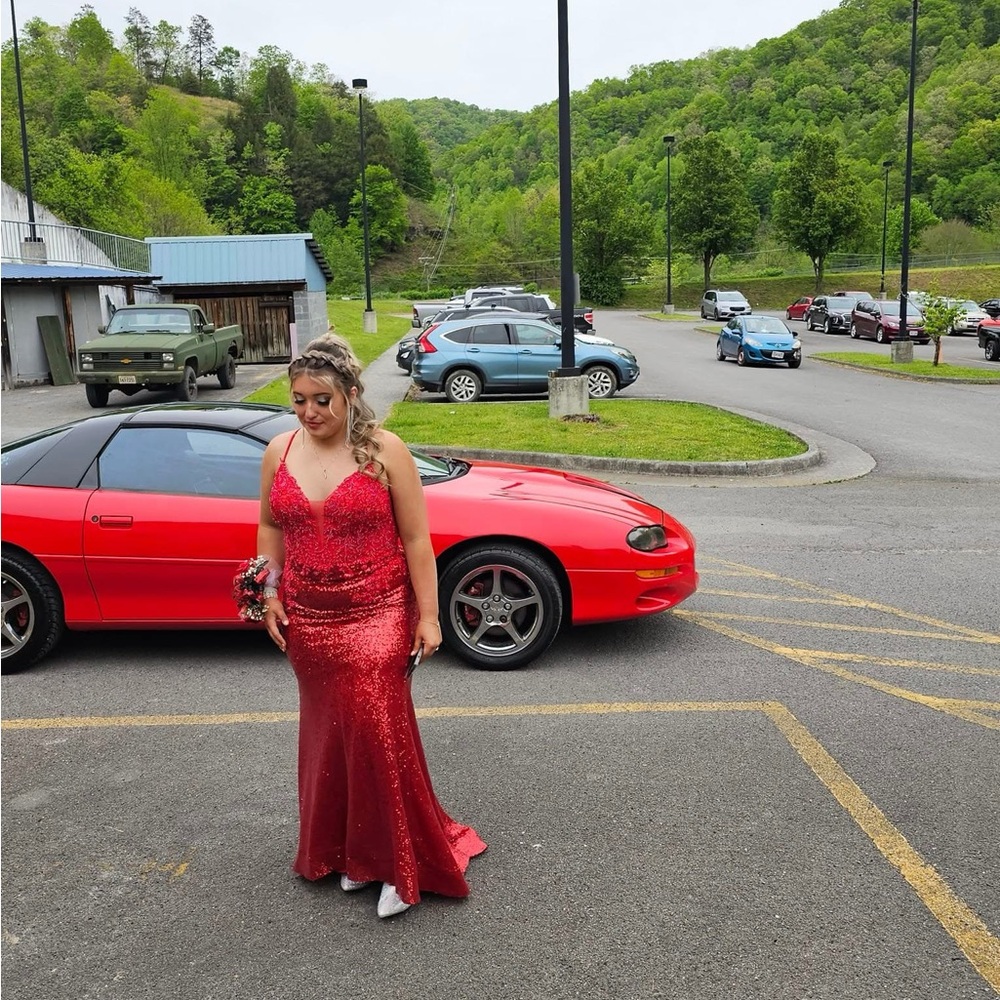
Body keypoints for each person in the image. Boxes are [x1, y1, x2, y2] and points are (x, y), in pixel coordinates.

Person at [256, 332, 486, 919]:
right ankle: (349, 851)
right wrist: (269, 593)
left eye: (322, 400)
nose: (309, 412)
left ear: (352, 396)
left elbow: (416, 539)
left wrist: (430, 616)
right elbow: (271, 530)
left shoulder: (386, 450)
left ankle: (397, 864)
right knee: (332, 734)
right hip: (308, 618)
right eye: (299, 399)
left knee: (379, 735)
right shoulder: (279, 451)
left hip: (378, 611)